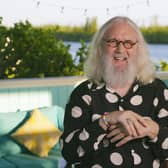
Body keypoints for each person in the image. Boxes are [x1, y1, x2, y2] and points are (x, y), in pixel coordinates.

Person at [60, 16, 168, 168]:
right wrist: (107, 120)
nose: (120, 49)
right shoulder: (84, 93)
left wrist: (152, 130)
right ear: (100, 48)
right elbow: (69, 152)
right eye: (112, 42)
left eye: (128, 43)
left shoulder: (157, 90)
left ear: (138, 49)